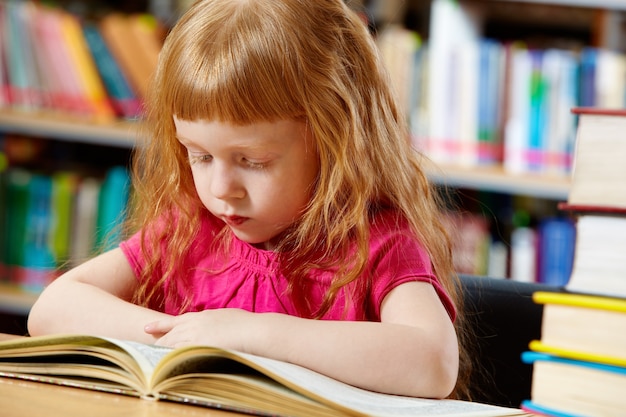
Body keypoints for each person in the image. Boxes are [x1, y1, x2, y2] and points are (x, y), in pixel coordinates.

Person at [28, 0, 472, 400]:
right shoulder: (191, 226)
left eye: (253, 160)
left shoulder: (378, 242)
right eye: (199, 155)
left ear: (335, 143)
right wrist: (186, 338)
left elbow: (432, 363)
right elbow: (51, 310)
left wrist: (250, 334)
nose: (221, 188)